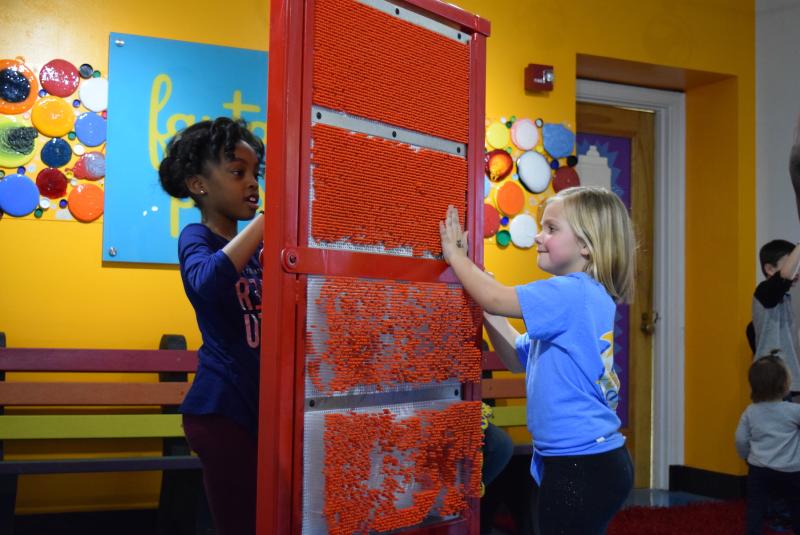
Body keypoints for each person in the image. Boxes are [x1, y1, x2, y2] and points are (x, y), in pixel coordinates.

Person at [439, 186, 635, 535]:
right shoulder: (578, 298)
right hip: (590, 461)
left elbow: (497, 299)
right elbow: (516, 356)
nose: (539, 237)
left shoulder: (571, 292)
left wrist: (457, 260)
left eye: (552, 229)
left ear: (586, 245)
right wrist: (483, 299)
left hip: (583, 463)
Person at [158, 117, 265, 535]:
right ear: (199, 185)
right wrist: (265, 223)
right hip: (220, 410)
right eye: (238, 173)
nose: (251, 184)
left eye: (255, 173)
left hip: (261, 407)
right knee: (240, 522)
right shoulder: (195, 238)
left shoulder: (259, 252)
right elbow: (206, 282)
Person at [735, 353, 800, 535]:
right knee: (797, 506)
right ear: (785, 385)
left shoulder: (750, 412)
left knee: (755, 509)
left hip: (759, 471)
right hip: (792, 471)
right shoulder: (794, 411)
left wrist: (746, 456)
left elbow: (740, 439)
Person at [752, 239, 800, 398]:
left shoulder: (786, 298)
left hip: (786, 379)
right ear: (769, 269)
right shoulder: (764, 291)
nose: (796, 270)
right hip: (771, 379)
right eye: (792, 264)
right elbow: (785, 276)